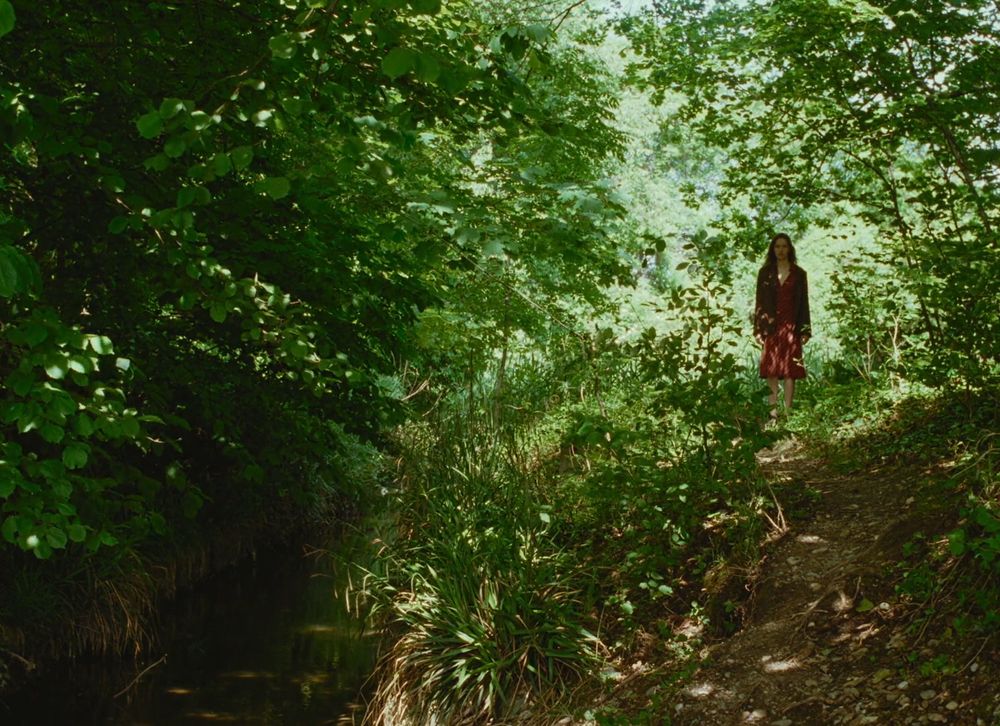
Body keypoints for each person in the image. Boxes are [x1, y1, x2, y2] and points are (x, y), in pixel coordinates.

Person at [754, 233, 811, 418]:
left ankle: (787, 412)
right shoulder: (765, 273)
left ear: (790, 249)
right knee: (771, 370)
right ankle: (772, 413)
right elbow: (760, 303)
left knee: (789, 371)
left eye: (784, 246)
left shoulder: (799, 274)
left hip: (791, 326)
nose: (780, 250)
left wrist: (805, 329)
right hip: (771, 326)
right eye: (777, 246)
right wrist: (758, 330)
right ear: (772, 249)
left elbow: (804, 303)